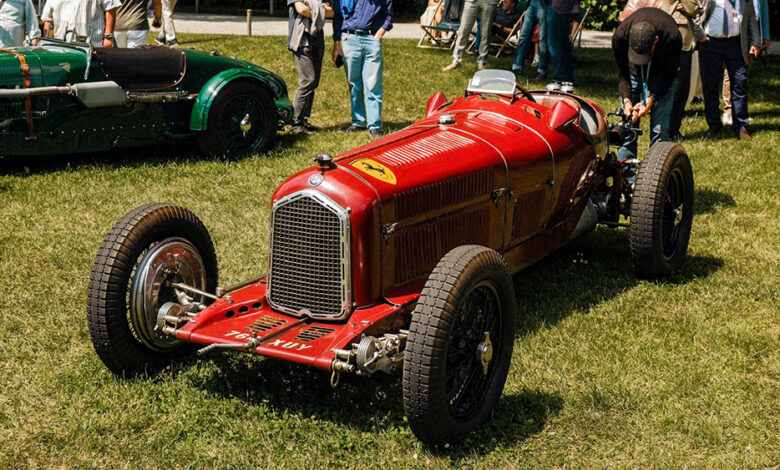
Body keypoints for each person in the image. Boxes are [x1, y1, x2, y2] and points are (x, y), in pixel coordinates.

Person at [612, 8, 682, 160]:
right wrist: (627, 101)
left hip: (662, 72)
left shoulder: (672, 36)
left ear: (656, 40)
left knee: (659, 130)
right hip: (633, 74)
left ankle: (656, 170)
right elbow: (623, 75)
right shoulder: (620, 37)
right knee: (627, 125)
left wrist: (652, 98)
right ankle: (627, 171)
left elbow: (669, 74)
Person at [698, 0, 760, 140]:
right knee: (710, 85)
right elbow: (696, 13)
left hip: (736, 44)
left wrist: (756, 42)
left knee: (740, 82)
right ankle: (714, 125)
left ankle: (741, 125)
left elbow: (751, 18)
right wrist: (699, 35)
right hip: (710, 43)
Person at [332, 0, 393, 138]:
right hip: (349, 39)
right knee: (354, 83)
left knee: (373, 84)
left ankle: (374, 125)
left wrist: (378, 35)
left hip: (372, 39)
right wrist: (336, 45)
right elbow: (338, 18)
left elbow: (389, 17)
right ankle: (358, 121)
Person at [287, 0, 334, 134]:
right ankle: (296, 122)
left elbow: (332, 12)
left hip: (318, 41)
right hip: (301, 41)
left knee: (314, 82)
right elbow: (301, 9)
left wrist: (311, 8)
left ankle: (304, 120)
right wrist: (320, 8)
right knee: (308, 80)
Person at [720, 0, 768, 126]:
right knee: (730, 73)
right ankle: (728, 111)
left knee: (743, 73)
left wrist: (765, 35)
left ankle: (739, 111)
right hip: (735, 27)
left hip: (752, 29)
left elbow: (764, 9)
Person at [657, 0, 698, 141]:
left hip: (674, 35)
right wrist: (688, 6)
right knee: (679, 88)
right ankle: (669, 130)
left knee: (678, 87)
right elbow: (693, 7)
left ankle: (668, 129)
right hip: (678, 37)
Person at [442, 0, 496, 72]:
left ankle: (482, 63)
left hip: (490, 2)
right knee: (463, 31)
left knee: (486, 33)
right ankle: (456, 61)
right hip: (471, 1)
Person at [512, 0, 548, 79]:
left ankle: (542, 71)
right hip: (532, 4)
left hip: (543, 4)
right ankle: (517, 68)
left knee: (542, 39)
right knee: (523, 37)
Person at [546, 0, 579, 84]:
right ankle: (567, 78)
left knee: (555, 45)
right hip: (569, 8)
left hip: (557, 7)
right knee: (564, 45)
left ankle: (559, 79)